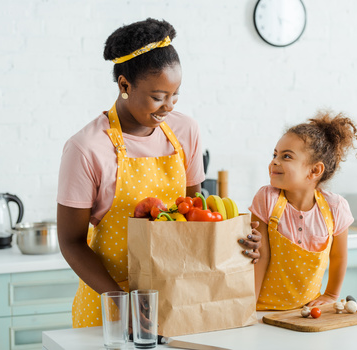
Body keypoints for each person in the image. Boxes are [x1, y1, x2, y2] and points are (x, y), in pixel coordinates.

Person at [57, 18, 260, 328]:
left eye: (175, 94)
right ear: (125, 85)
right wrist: (123, 304)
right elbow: (71, 242)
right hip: (111, 307)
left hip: (174, 297)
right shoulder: (86, 148)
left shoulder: (185, 131)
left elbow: (193, 217)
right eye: (157, 96)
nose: (169, 106)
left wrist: (236, 241)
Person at [250, 110, 357, 310]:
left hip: (306, 312)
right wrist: (248, 307)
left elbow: (338, 256)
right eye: (275, 154)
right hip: (262, 309)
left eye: (286, 156)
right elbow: (260, 257)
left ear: (315, 170)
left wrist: (331, 295)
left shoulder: (335, 208)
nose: (275, 161)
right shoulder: (267, 199)